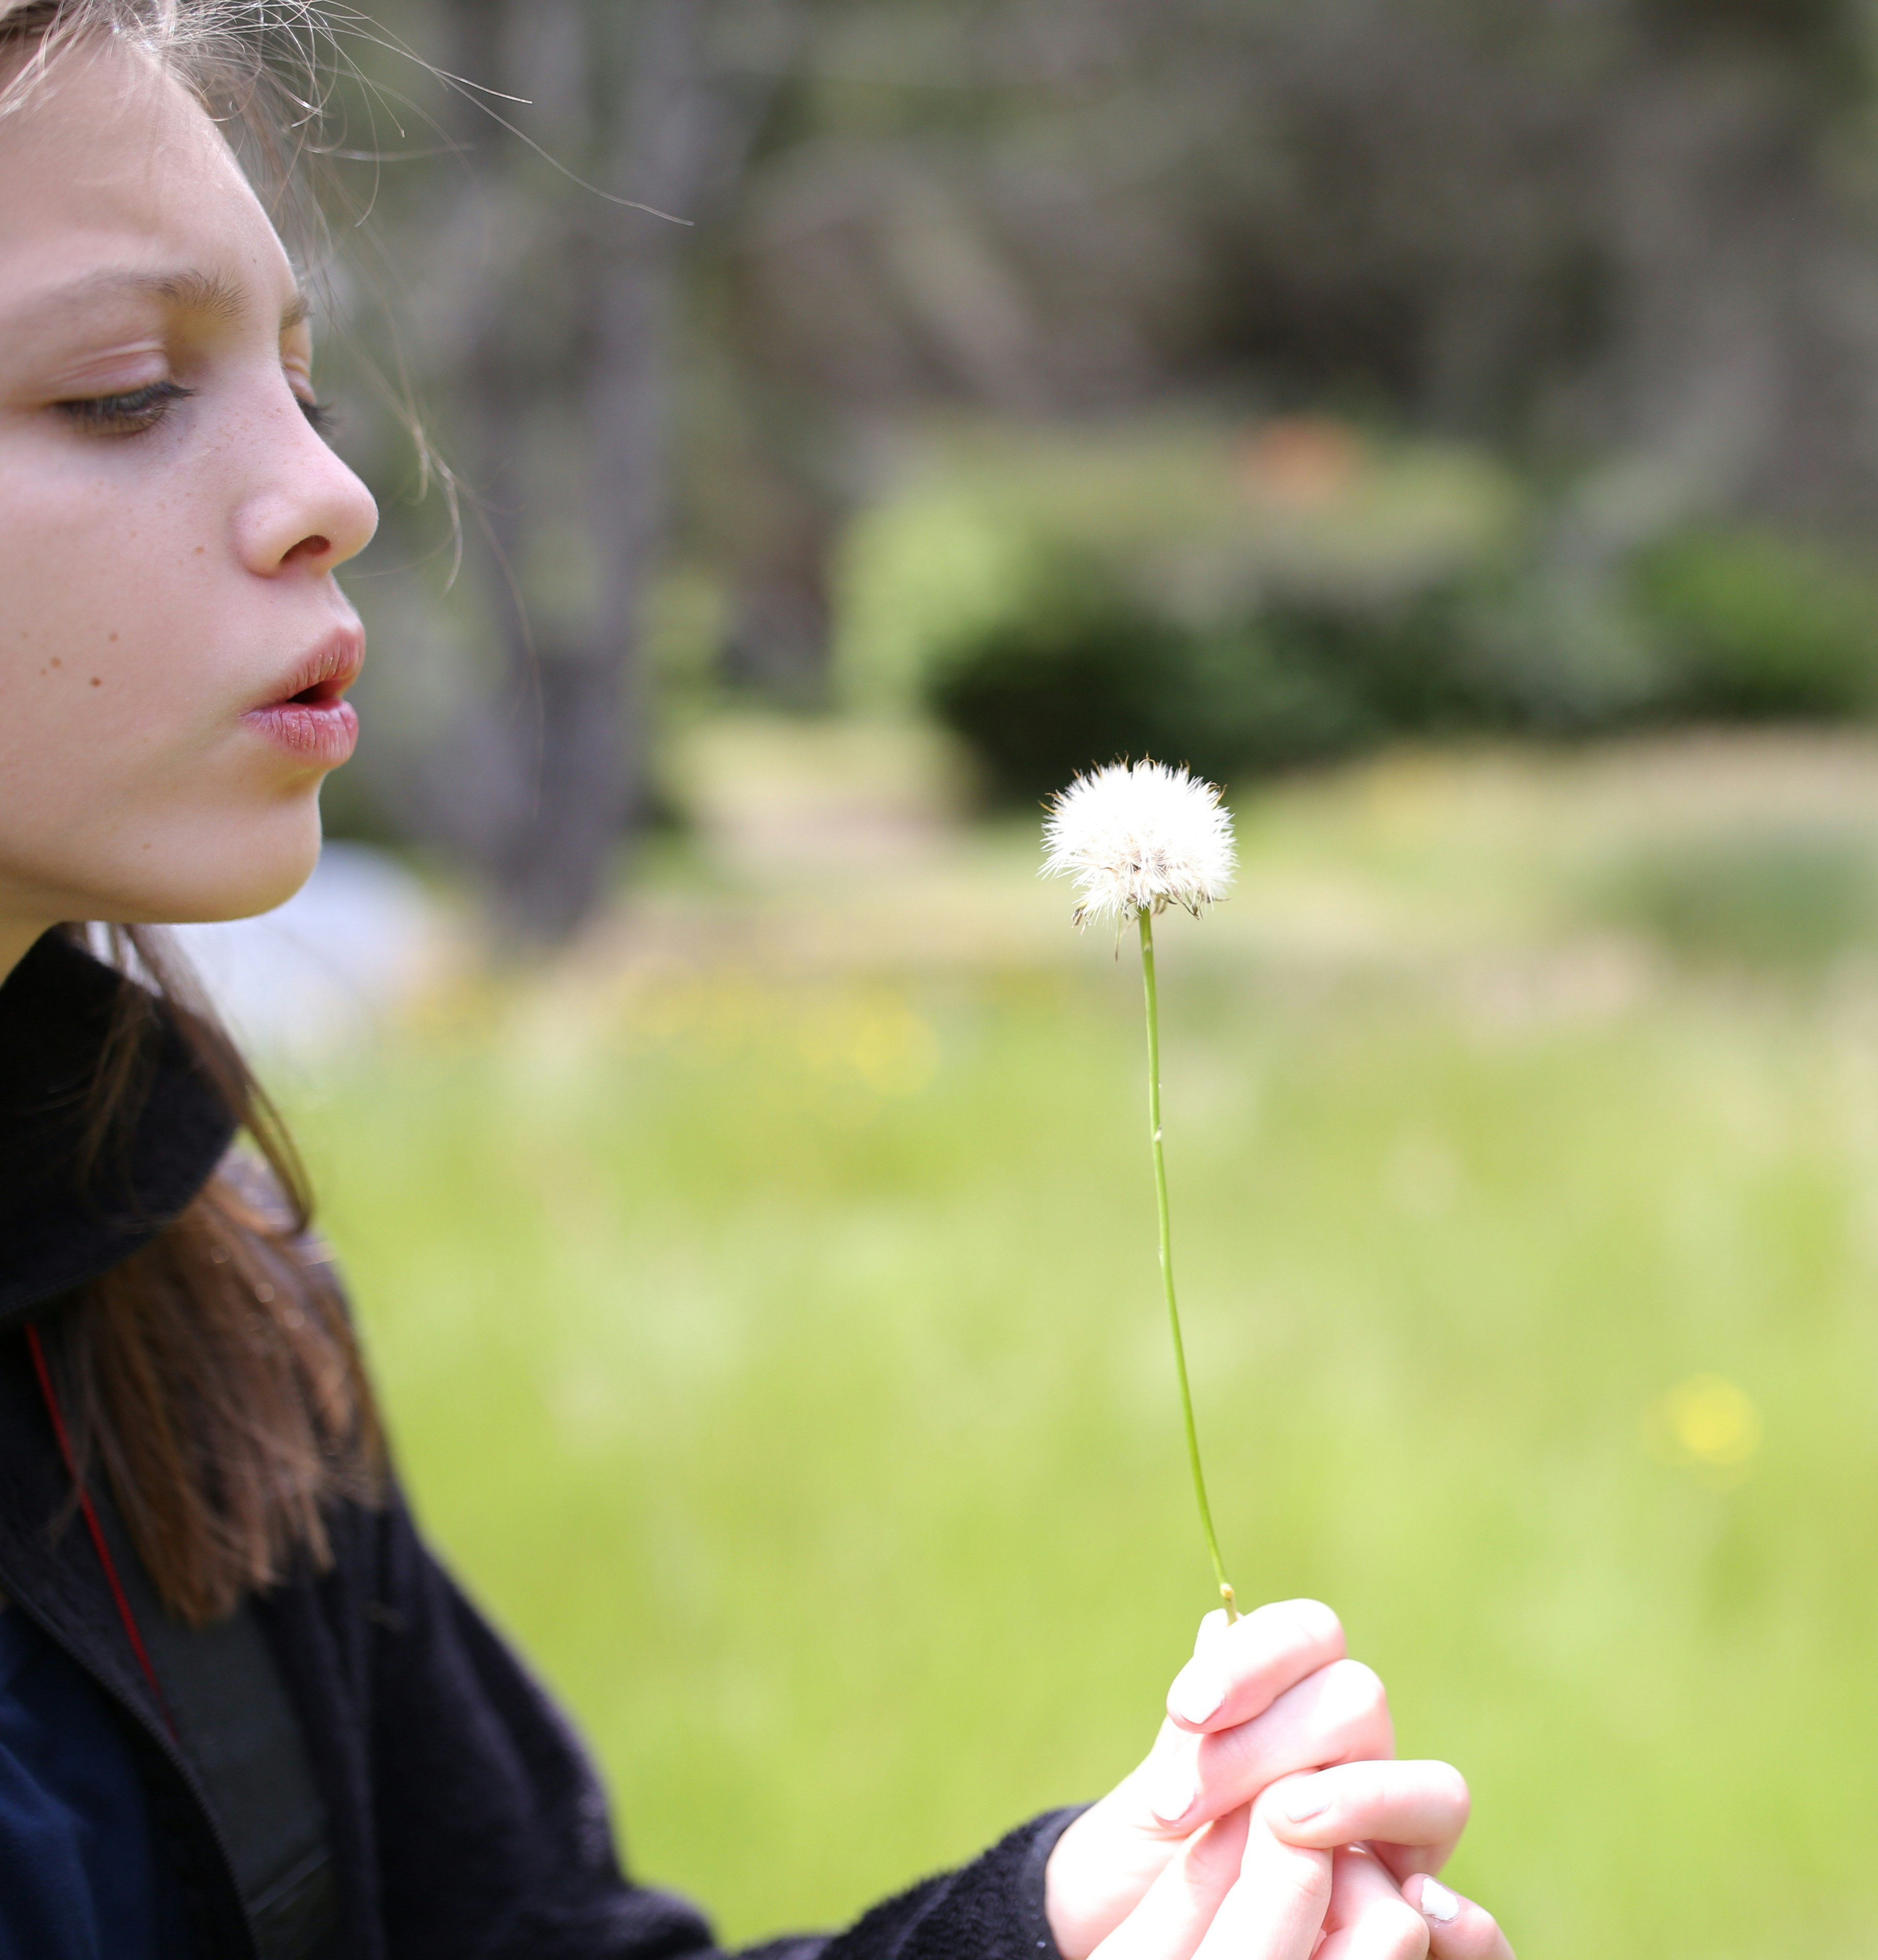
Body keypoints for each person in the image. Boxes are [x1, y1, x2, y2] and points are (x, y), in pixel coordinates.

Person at [0, 6, 1519, 1956]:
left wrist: (1058, 1939)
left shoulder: (187, 1306)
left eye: (300, 378)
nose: (329, 491)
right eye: (125, 390)